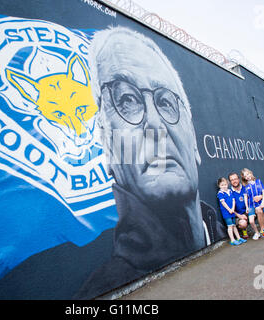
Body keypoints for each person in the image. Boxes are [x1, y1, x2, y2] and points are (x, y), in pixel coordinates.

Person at [75, 26, 226, 299]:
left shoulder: (220, 230)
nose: (155, 123)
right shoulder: (98, 293)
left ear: (193, 138)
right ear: (107, 146)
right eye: (127, 99)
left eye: (167, 102)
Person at [217, 177, 246, 246]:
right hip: (227, 213)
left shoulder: (230, 191)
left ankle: (239, 238)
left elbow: (233, 200)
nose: (224, 186)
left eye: (225, 184)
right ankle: (232, 240)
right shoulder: (220, 193)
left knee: (234, 226)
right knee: (230, 226)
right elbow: (223, 203)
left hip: (232, 211)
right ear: (219, 186)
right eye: (222, 185)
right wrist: (229, 209)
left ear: (227, 184)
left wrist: (232, 209)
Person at [228, 172, 249, 239]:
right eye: (232, 180)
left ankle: (261, 231)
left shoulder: (245, 188)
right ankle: (244, 230)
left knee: (259, 209)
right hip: (238, 215)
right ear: (230, 182)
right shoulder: (229, 193)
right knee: (243, 223)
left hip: (248, 211)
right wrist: (239, 215)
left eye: (235, 179)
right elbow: (230, 209)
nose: (234, 181)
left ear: (239, 179)